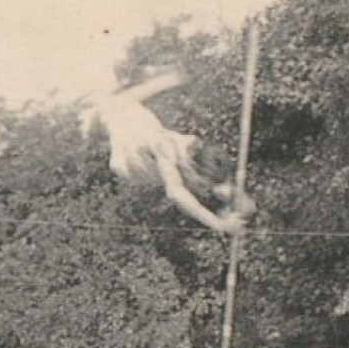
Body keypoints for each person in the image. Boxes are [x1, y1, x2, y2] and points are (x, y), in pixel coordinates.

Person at [81, 69, 256, 234]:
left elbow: (245, 204)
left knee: (125, 104)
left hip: (140, 125)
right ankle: (94, 107)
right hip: (126, 160)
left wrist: (235, 210)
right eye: (203, 183)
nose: (204, 189)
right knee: (113, 109)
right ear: (192, 165)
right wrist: (219, 224)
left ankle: (165, 79)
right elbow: (175, 194)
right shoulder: (165, 148)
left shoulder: (202, 153)